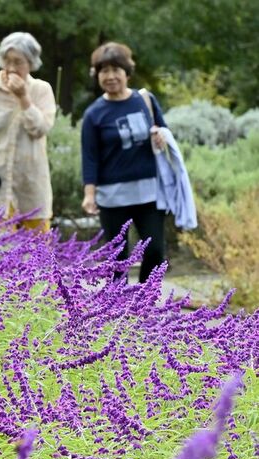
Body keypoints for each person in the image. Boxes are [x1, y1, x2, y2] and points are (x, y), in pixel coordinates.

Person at [81, 41, 169, 283]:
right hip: (112, 195)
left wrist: (161, 137)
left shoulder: (145, 101)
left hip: (149, 192)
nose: (110, 76)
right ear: (97, 75)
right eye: (103, 71)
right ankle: (117, 312)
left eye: (115, 70)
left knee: (154, 250)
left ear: (127, 72)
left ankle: (144, 304)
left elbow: (165, 132)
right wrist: (89, 194)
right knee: (117, 257)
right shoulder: (94, 114)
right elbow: (89, 156)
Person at [0, 32, 56, 231]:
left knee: (37, 254)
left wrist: (24, 98)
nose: (11, 68)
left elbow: (41, 128)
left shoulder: (41, 90)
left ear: (31, 63)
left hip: (31, 184)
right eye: (7, 61)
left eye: (18, 62)